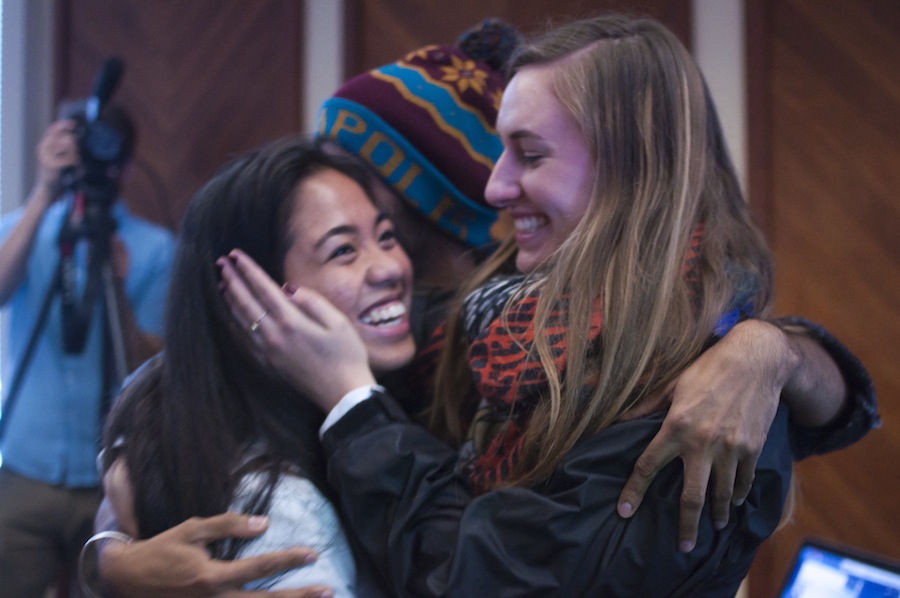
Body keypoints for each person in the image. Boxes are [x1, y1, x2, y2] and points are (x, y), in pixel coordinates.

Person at [94, 17, 877, 597]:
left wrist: (768, 350)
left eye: (529, 155)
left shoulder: (697, 391)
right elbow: (206, 377)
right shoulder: (490, 316)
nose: (496, 189)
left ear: (633, 173)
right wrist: (107, 555)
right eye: (345, 244)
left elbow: (480, 580)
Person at [96, 137, 417, 596]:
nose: (389, 267)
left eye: (386, 236)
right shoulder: (282, 511)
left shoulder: (429, 348)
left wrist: (107, 554)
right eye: (344, 250)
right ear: (250, 299)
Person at [0, 105, 175, 597]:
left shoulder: (156, 249)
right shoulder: (23, 231)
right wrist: (43, 193)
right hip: (23, 465)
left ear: (126, 167)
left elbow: (151, 366)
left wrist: (118, 285)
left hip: (113, 474)